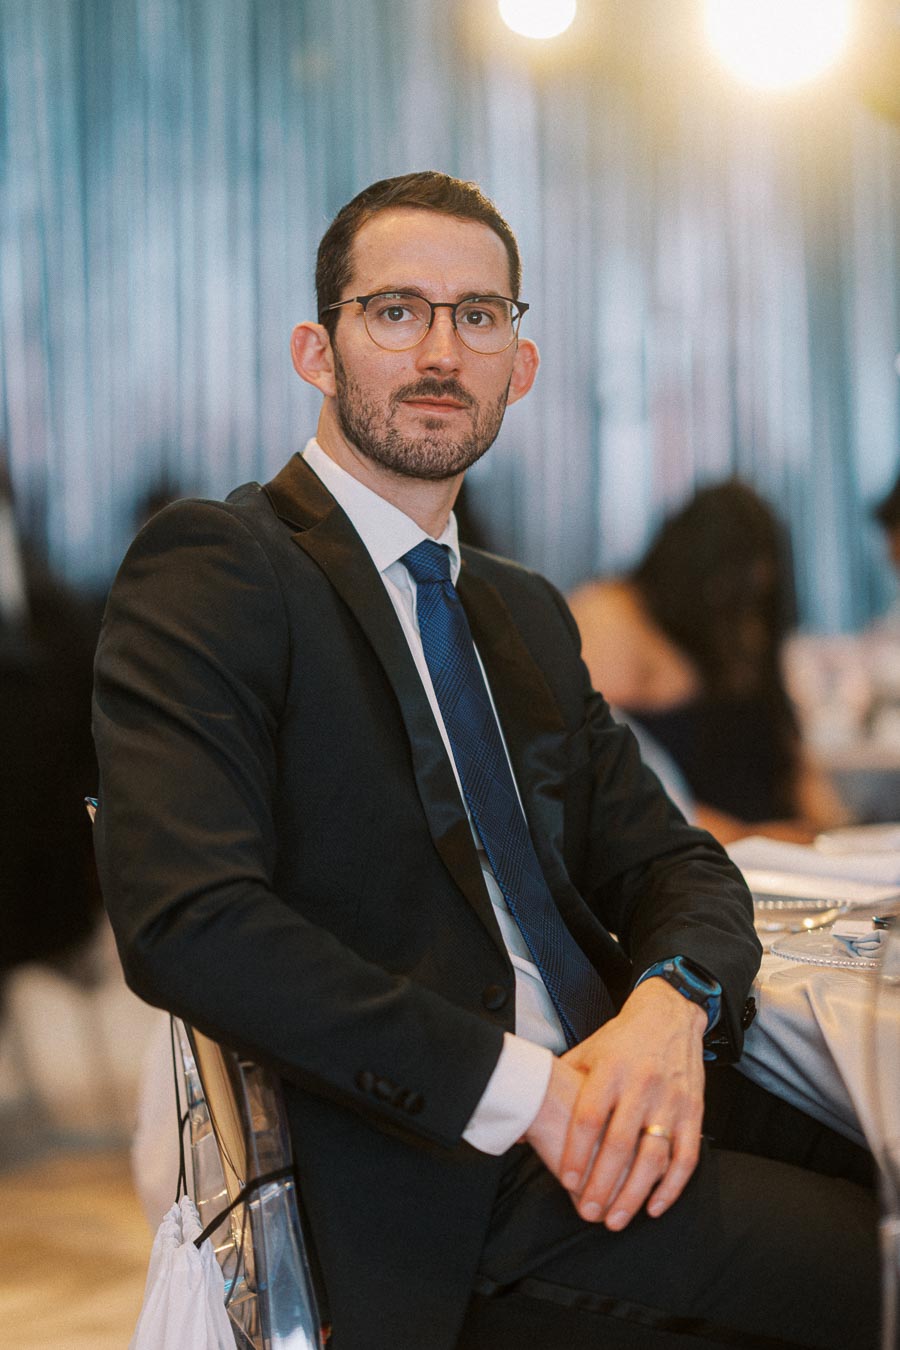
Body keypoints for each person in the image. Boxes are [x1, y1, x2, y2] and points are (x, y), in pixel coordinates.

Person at [93, 172, 877, 1350]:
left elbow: (677, 864)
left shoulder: (522, 611)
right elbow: (188, 921)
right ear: (316, 351)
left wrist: (671, 1005)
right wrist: (527, 1091)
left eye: (479, 316)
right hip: (433, 1173)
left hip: (616, 1084)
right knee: (872, 1266)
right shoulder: (220, 568)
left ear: (523, 364)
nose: (440, 352)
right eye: (394, 311)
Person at [568, 482, 849, 844]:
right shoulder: (615, 616)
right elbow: (602, 780)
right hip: (693, 850)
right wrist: (746, 837)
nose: (742, 616)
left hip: (779, 850)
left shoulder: (744, 627)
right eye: (729, 592)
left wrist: (835, 835)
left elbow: (789, 755)